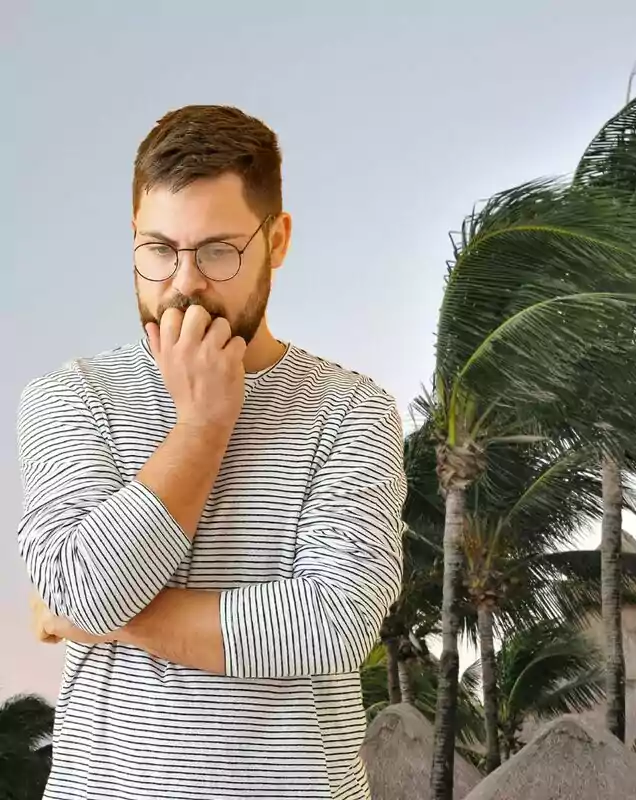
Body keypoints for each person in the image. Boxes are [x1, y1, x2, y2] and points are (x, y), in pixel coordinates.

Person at [17, 104, 406, 799]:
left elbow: (332, 623)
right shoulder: (70, 397)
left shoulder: (353, 411)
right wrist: (203, 425)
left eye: (217, 251)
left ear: (277, 240)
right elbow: (81, 588)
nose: (184, 282)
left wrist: (93, 619)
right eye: (159, 250)